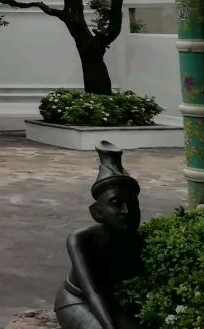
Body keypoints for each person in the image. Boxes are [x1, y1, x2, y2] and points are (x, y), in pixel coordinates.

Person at [55, 141, 144, 329]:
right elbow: (92, 293)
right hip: (77, 300)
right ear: (97, 212)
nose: (127, 211)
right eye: (116, 203)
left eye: (133, 204)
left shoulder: (137, 239)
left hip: (114, 303)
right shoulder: (80, 240)